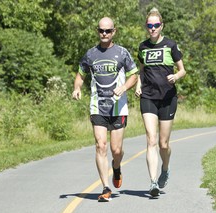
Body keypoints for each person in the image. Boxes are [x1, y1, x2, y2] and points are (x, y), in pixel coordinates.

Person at [72, 17, 138, 202]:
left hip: (118, 107)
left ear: (114, 32)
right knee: (101, 145)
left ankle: (116, 167)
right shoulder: (91, 54)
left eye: (108, 31)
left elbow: (134, 75)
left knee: (116, 150)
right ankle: (106, 187)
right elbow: (80, 74)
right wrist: (77, 88)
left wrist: (124, 87)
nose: (104, 34)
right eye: (101, 30)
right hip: (98, 106)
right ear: (97, 31)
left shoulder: (122, 53)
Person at [135, 8, 186, 197]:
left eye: (156, 25)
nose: (153, 28)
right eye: (150, 26)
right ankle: (153, 182)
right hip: (148, 96)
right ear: (146, 27)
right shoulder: (143, 47)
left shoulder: (170, 45)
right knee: (151, 140)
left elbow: (182, 70)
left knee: (164, 144)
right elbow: (141, 70)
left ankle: (165, 168)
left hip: (167, 97)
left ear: (161, 26)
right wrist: (138, 86)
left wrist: (176, 76)